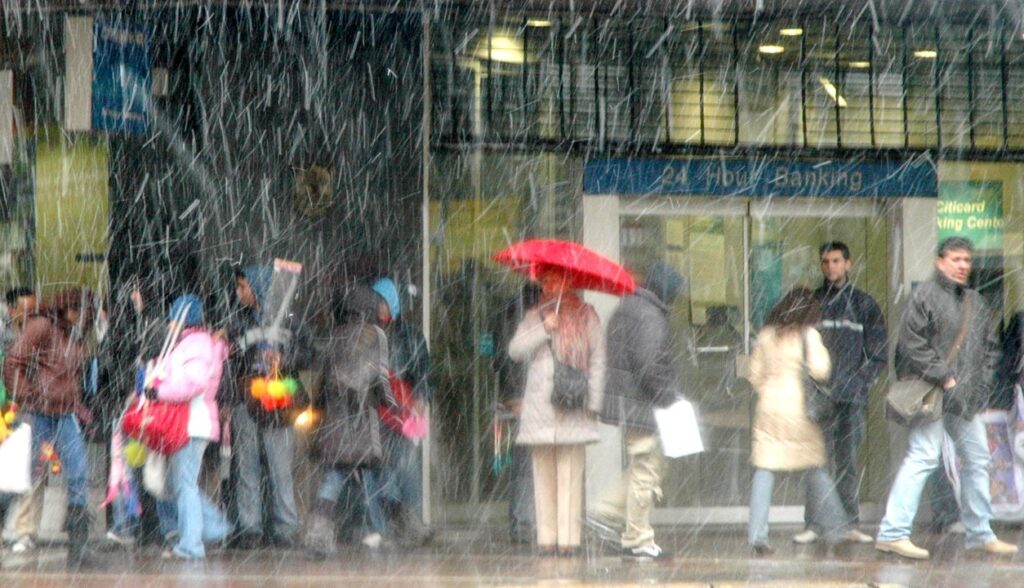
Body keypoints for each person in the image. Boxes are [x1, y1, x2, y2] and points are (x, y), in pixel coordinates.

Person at [876, 237, 1018, 559]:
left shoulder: (976, 303)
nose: (963, 265)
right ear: (940, 262)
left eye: (967, 260)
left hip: (962, 398)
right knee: (925, 455)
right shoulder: (925, 295)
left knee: (977, 459)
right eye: (956, 259)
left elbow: (990, 350)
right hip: (935, 394)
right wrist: (946, 376)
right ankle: (892, 532)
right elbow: (912, 344)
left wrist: (978, 388)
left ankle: (980, 532)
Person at [793, 242, 887, 545]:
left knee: (847, 462)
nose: (830, 266)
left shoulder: (864, 304)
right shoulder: (813, 303)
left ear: (848, 264)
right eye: (825, 262)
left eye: (835, 261)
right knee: (816, 461)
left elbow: (878, 354)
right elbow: (798, 349)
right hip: (819, 397)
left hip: (850, 398)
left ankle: (849, 523)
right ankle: (815, 524)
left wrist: (858, 382)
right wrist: (810, 385)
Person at [508, 268, 605, 557]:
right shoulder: (535, 315)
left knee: (570, 475)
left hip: (572, 404)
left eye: (554, 280)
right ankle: (547, 539)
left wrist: (595, 403)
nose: (548, 286)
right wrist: (543, 329)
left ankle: (569, 539)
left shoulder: (587, 315)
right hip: (541, 407)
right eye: (545, 281)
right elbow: (515, 350)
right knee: (543, 476)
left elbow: (598, 359)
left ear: (569, 282)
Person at [593, 261, 685, 561]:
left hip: (629, 403)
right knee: (647, 469)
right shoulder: (650, 315)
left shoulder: (627, 308)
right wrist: (670, 399)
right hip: (645, 405)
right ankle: (636, 537)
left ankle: (608, 511)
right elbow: (650, 366)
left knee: (643, 466)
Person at [747, 288, 848, 556]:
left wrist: (770, 386)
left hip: (768, 407)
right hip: (801, 408)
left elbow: (754, 374)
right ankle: (837, 527)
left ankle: (758, 534)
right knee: (815, 467)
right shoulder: (809, 335)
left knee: (764, 468)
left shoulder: (766, 335)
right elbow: (821, 370)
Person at [4, 289, 94, 568]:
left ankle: (78, 544)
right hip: (40, 413)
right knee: (26, 476)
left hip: (64, 414)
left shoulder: (74, 335)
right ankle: (18, 525)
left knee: (78, 475)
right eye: (76, 309)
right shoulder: (43, 325)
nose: (80, 315)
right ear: (65, 307)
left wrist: (76, 401)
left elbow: (72, 375)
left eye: (84, 311)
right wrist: (28, 394)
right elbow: (13, 362)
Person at [304, 285, 395, 556]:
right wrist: (390, 403)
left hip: (336, 422)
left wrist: (321, 408)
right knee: (368, 477)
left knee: (334, 477)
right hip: (362, 421)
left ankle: (318, 533)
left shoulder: (335, 336)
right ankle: (375, 532)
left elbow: (323, 381)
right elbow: (381, 378)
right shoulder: (375, 336)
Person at [226, 265, 311, 548]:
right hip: (246, 400)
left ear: (257, 287)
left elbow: (311, 353)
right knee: (246, 468)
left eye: (243, 286)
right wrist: (229, 398)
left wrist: (284, 359)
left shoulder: (289, 319)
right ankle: (250, 528)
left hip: (279, 402)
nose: (238, 292)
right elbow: (230, 362)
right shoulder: (238, 321)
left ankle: (285, 527)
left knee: (280, 467)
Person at [147, 295, 231, 560]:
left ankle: (192, 544)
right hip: (191, 423)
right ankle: (213, 527)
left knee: (185, 484)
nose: (169, 323)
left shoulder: (195, 345)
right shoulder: (195, 343)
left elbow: (194, 384)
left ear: (181, 319)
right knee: (181, 483)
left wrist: (158, 393)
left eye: (172, 318)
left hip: (193, 423)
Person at [371, 277, 433, 547]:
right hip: (378, 412)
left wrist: (421, 397)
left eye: (382, 302)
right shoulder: (369, 334)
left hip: (402, 413)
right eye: (375, 303)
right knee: (381, 474)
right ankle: (386, 528)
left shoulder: (409, 334)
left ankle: (413, 525)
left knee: (406, 471)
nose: (378, 308)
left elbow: (423, 370)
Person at [2, 287, 42, 556]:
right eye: (26, 310)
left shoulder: (39, 336)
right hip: (8, 410)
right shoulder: (8, 337)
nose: (31, 316)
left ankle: (25, 530)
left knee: (31, 472)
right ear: (12, 310)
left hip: (28, 410)